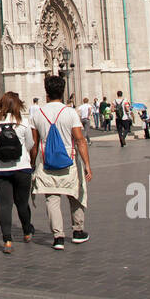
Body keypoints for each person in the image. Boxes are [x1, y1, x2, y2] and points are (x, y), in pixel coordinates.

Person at [30, 74, 92, 250]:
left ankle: (58, 237)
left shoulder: (38, 114)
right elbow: (80, 140)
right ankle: (78, 231)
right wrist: (87, 164)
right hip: (69, 161)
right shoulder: (70, 112)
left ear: (46, 93)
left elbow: (34, 144)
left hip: (46, 162)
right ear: (63, 92)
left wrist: (33, 163)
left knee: (52, 198)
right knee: (76, 195)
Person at [0, 91, 35, 254]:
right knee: (22, 203)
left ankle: (7, 241)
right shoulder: (24, 123)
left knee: (5, 205)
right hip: (21, 168)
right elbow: (30, 145)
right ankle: (26, 232)